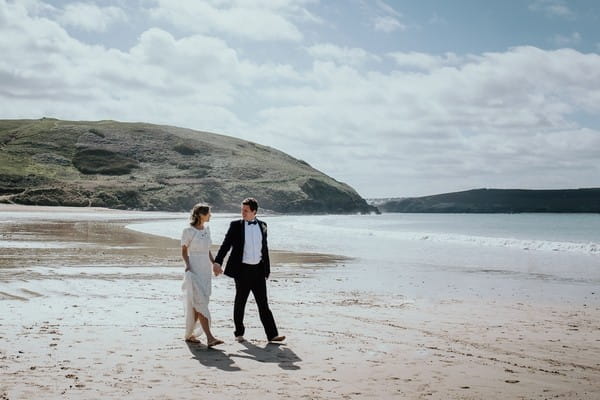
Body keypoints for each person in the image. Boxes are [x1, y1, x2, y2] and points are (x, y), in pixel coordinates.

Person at [213, 198, 285, 343]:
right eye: (242, 210)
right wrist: (218, 262)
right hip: (242, 270)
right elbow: (226, 245)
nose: (243, 213)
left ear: (254, 211)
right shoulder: (235, 226)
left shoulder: (263, 225)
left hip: (258, 269)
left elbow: (264, 249)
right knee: (240, 301)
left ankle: (272, 335)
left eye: (246, 210)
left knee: (263, 303)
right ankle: (239, 333)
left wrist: (267, 269)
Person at [181, 203, 224, 347]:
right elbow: (184, 251)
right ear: (201, 215)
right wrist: (188, 266)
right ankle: (210, 337)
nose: (210, 216)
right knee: (200, 303)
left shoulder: (206, 230)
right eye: (208, 213)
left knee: (198, 303)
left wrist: (215, 264)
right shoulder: (188, 231)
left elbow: (208, 251)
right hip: (194, 269)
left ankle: (190, 334)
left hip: (205, 270)